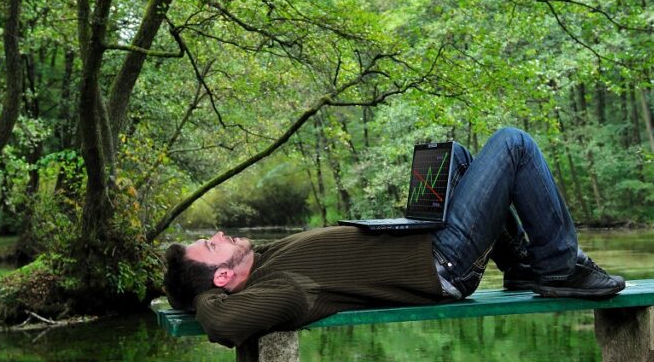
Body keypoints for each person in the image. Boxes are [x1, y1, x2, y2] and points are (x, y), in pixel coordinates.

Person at [163, 128, 624, 348]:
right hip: (442, 265)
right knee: (514, 144)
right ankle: (560, 265)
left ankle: (522, 266)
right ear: (222, 277)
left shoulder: (263, 260)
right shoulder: (281, 292)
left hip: (430, 246)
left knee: (456, 157)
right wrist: (200, 299)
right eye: (210, 244)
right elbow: (222, 324)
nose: (219, 234)